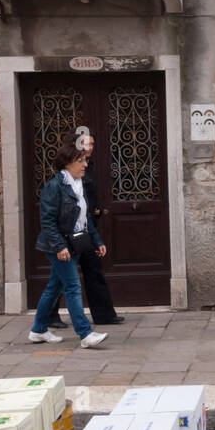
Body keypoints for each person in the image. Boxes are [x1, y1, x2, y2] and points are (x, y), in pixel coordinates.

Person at [28, 143, 108, 348]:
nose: (85, 164)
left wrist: (97, 241)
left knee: (54, 287)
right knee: (73, 286)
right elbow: (47, 221)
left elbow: (85, 217)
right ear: (66, 163)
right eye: (80, 161)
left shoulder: (79, 185)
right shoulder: (54, 187)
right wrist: (59, 247)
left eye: (85, 160)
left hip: (75, 244)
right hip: (58, 246)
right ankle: (85, 334)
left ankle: (38, 330)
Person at [47, 130, 124, 328]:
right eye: (86, 144)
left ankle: (104, 314)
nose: (89, 149)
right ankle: (50, 318)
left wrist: (95, 214)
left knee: (93, 270)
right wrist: (59, 243)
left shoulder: (87, 168)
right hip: (68, 232)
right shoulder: (63, 179)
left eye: (92, 144)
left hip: (85, 228)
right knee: (61, 279)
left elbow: (86, 200)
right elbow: (53, 213)